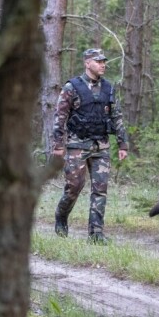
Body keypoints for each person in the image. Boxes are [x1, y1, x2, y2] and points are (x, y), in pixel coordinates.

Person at [51, 48, 129, 245]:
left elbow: (116, 116)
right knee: (74, 187)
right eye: (98, 61)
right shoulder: (72, 87)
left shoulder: (108, 88)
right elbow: (60, 117)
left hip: (101, 145)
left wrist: (122, 143)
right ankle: (61, 216)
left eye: (104, 61)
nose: (103, 64)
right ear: (87, 63)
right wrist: (58, 145)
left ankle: (96, 233)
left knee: (100, 189)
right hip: (77, 144)